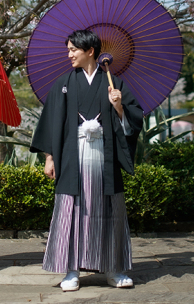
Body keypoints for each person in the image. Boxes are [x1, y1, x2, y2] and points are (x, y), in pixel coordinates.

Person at [30, 29, 143, 291]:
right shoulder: (63, 83)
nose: (68, 54)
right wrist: (49, 157)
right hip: (73, 156)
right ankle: (72, 271)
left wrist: (118, 107)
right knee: (72, 211)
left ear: (90, 51)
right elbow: (52, 122)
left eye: (73, 50)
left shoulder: (114, 82)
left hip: (105, 156)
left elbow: (133, 122)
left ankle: (113, 269)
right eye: (68, 49)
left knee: (109, 211)